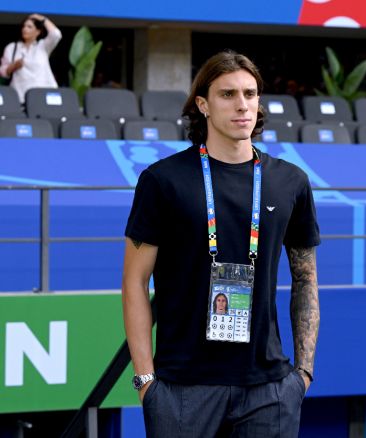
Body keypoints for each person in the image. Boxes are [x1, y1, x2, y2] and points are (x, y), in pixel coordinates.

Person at [122, 50, 320, 438]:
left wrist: (302, 374)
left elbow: (306, 279)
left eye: (250, 93)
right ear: (203, 105)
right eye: (227, 94)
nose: (242, 105)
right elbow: (134, 281)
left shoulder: (290, 181)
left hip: (270, 388)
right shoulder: (163, 180)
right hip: (182, 389)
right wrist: (146, 383)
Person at [0, 14, 62, 103]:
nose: (25, 29)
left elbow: (56, 34)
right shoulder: (12, 48)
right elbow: (3, 72)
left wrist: (41, 18)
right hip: (20, 96)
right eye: (24, 26)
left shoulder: (42, 46)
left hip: (44, 95)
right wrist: (13, 66)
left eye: (29, 27)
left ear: (38, 31)